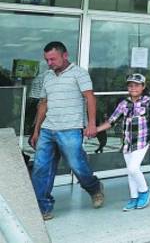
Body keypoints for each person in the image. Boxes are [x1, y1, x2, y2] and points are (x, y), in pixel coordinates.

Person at [30, 41, 104, 221]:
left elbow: (90, 98)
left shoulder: (79, 73)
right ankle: (43, 208)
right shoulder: (47, 76)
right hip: (48, 129)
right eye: (47, 60)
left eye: (53, 59)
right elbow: (43, 104)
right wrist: (36, 130)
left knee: (76, 164)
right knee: (41, 168)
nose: (49, 63)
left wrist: (91, 124)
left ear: (65, 55)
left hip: (71, 128)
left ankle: (94, 188)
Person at [96, 73, 150, 211]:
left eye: (137, 85)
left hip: (142, 140)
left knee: (133, 168)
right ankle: (133, 197)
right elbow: (111, 121)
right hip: (127, 142)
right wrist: (96, 130)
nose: (133, 88)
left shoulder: (148, 101)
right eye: (130, 85)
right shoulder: (124, 103)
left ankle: (144, 191)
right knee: (131, 172)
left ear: (143, 87)